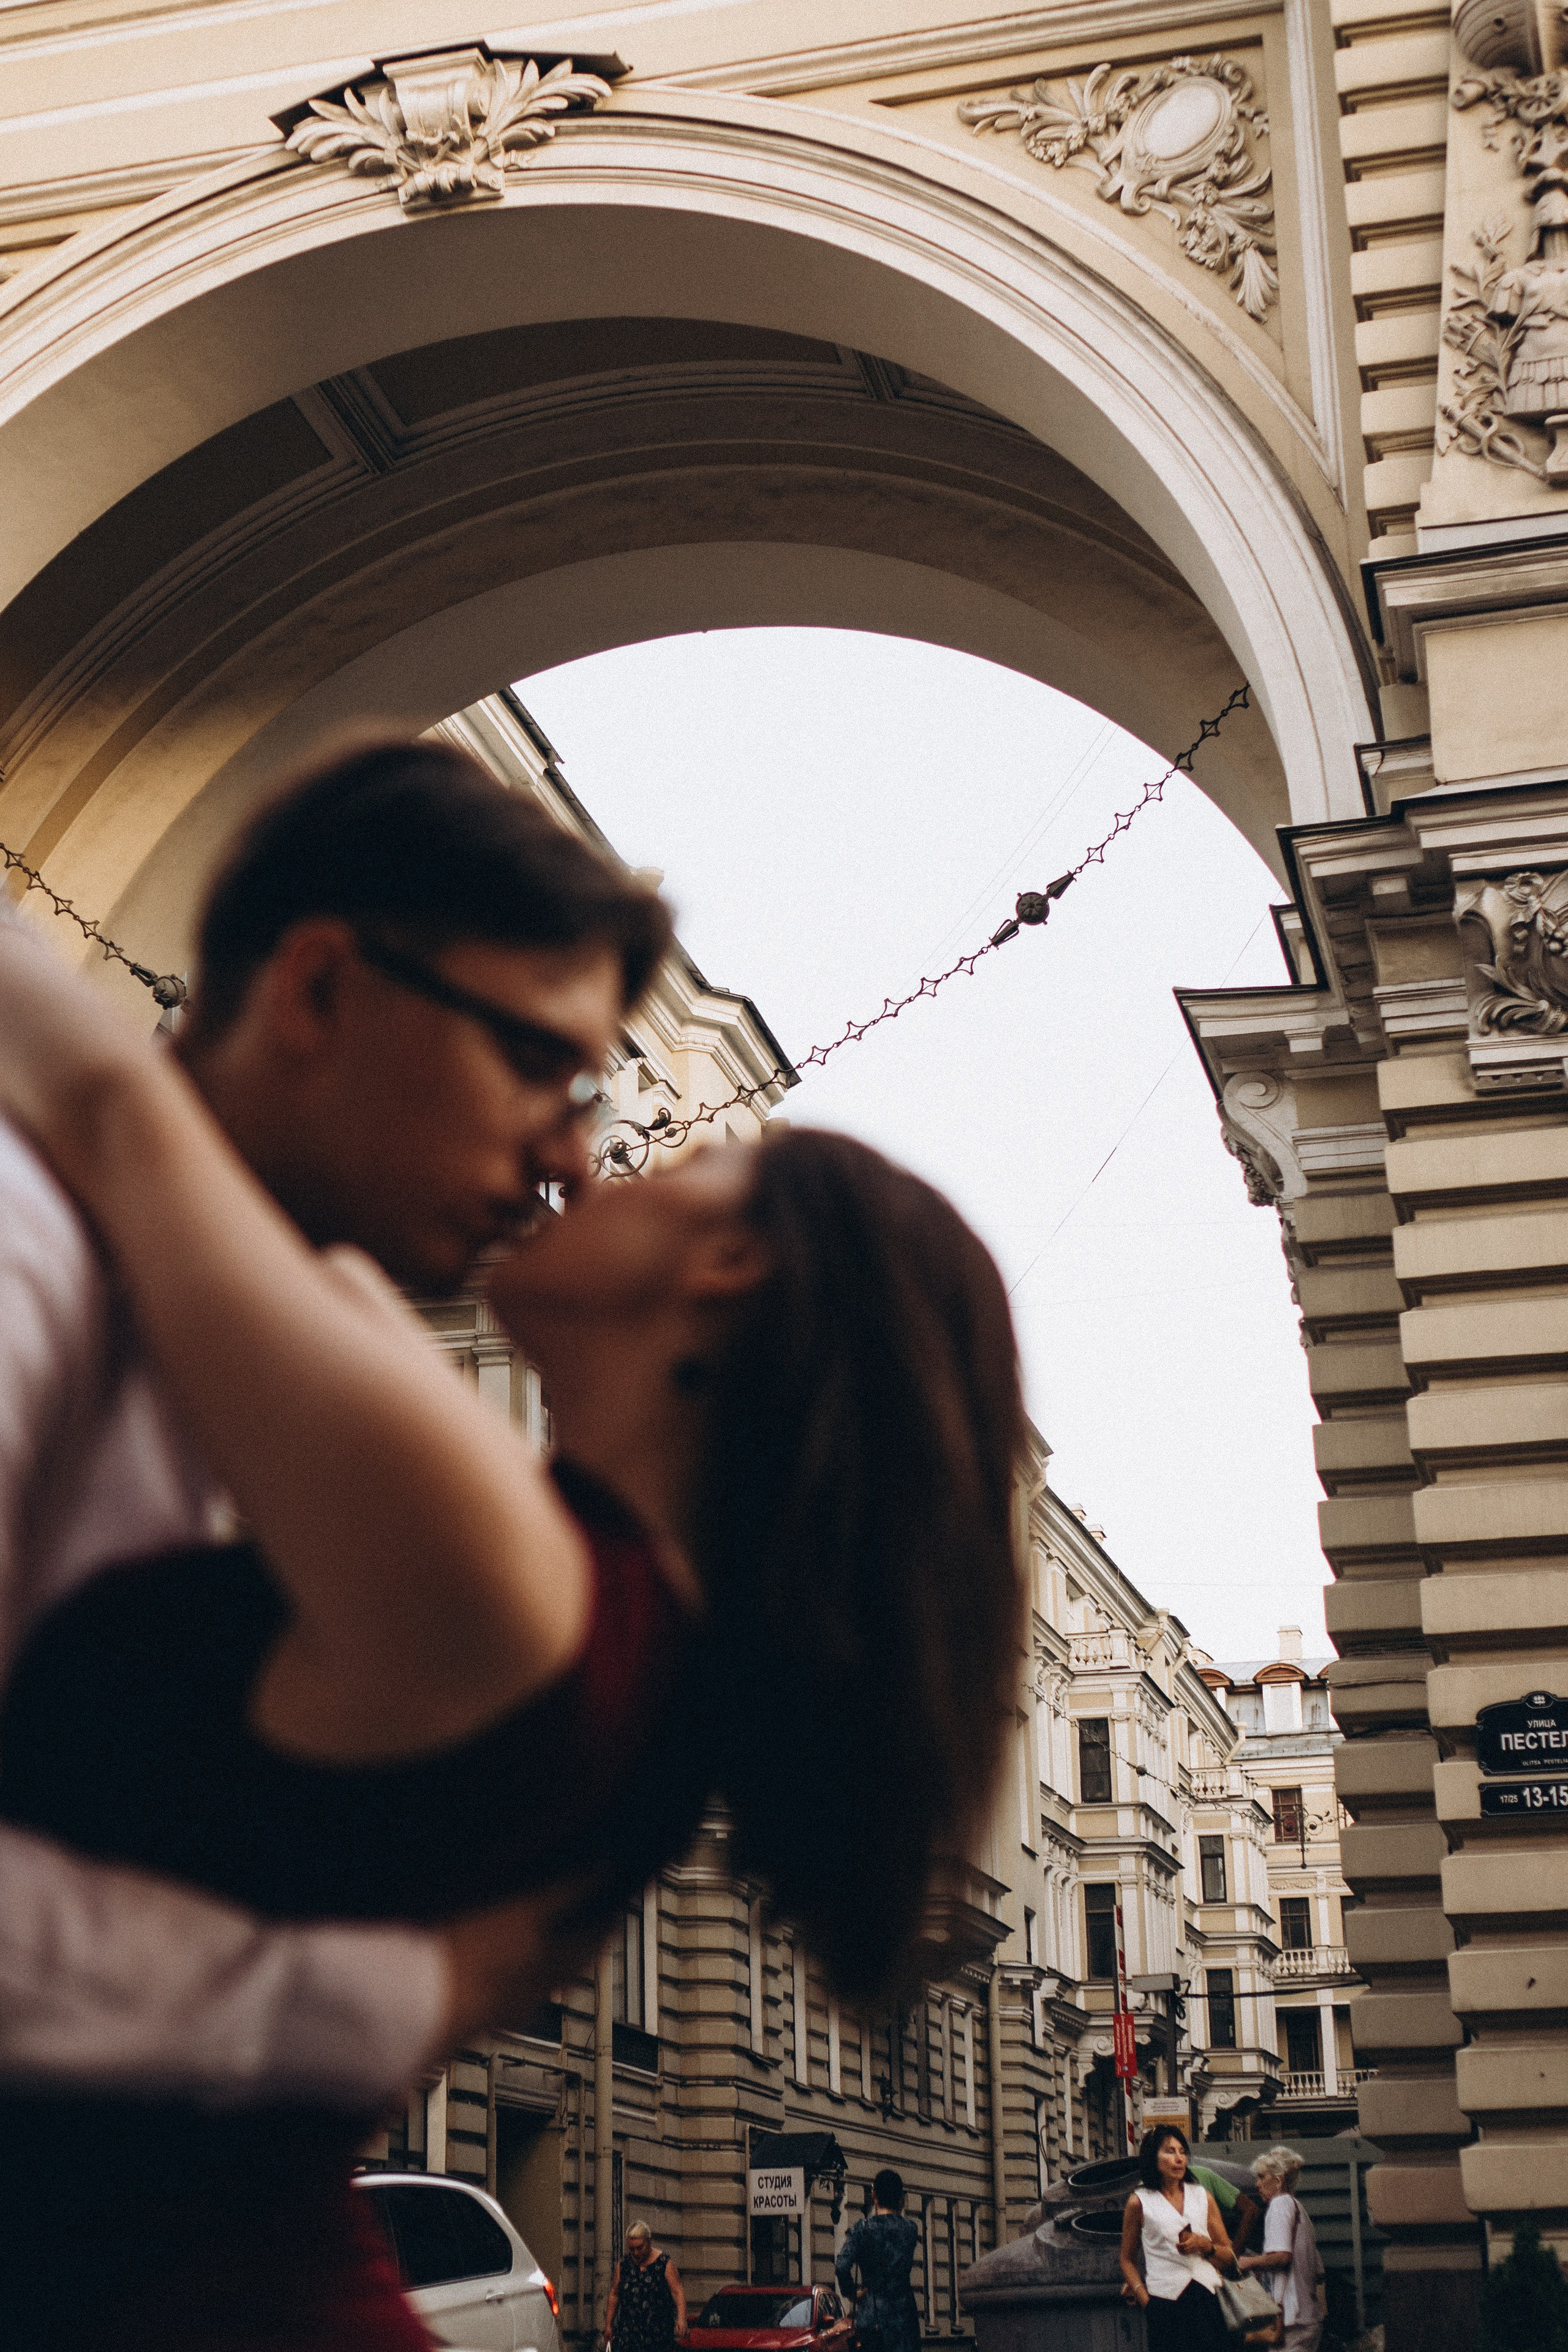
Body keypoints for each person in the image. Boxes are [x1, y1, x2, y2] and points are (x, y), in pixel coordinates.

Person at [0, 801, 1024, 2350]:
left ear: (730, 1263)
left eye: (626, 1133)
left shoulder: (513, 1562)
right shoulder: (634, 1662)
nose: (575, 1152)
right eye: (552, 1075)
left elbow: (136, 1121)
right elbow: (288, 1216)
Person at [1119, 2125, 1234, 2350]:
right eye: (1170, 2151)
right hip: (1164, 2304)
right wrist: (1146, 2300)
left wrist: (1206, 2246)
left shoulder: (1202, 2196)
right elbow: (1127, 2258)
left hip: (1207, 2298)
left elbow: (1228, 2255)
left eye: (1182, 2152)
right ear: (1153, 2158)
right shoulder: (1139, 2202)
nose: (1179, 2159)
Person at [1237, 2147, 1324, 2351]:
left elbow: (1282, 2256)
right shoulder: (1298, 2208)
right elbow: (1319, 2271)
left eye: (1261, 2177)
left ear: (1278, 2180)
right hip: (1308, 2316)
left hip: (1291, 2319)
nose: (1257, 2184)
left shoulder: (1279, 2205)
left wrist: (1250, 2262)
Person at [836, 2168, 921, 2352]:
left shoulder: (863, 2229)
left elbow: (842, 2266)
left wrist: (852, 2293)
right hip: (904, 2316)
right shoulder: (910, 2230)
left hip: (872, 2316)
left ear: (874, 2194)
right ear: (901, 2198)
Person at [606, 2218, 687, 2352]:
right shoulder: (624, 2265)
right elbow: (614, 2294)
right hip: (629, 2334)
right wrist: (609, 2325)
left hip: (658, 2333)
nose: (636, 2253)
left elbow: (677, 2291)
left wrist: (681, 2318)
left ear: (650, 2241)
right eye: (632, 2249)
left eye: (640, 2248)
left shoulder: (664, 2264)